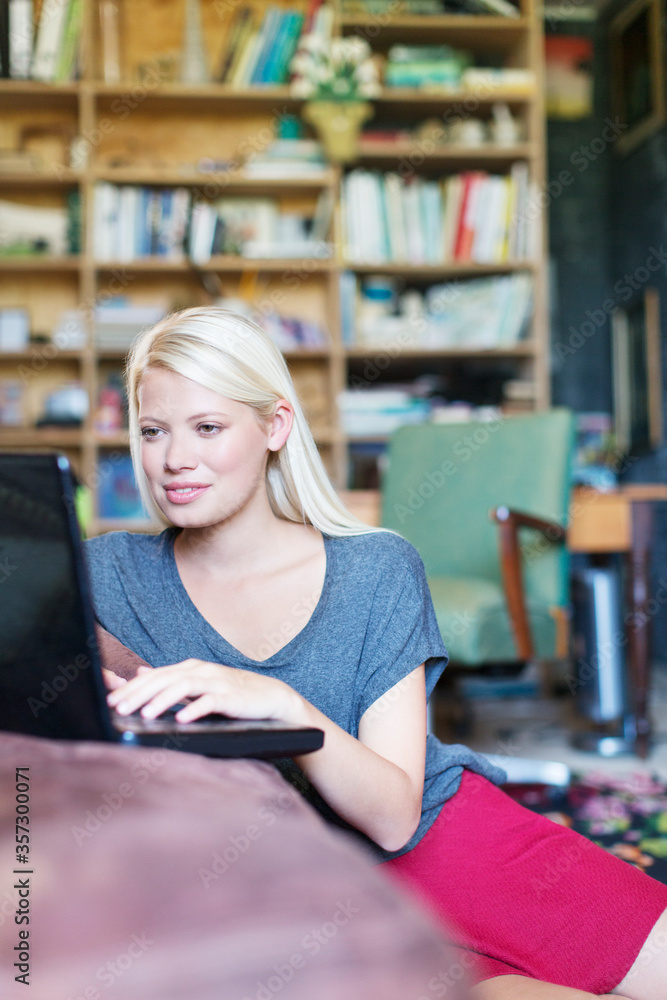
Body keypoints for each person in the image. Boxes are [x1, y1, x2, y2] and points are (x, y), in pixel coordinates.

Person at [86, 306, 667, 1000]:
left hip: (449, 843)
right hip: (303, 903)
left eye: (207, 427)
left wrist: (282, 706)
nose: (174, 458)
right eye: (153, 431)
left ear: (274, 427)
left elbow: (394, 815)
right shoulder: (104, 577)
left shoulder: (376, 570)